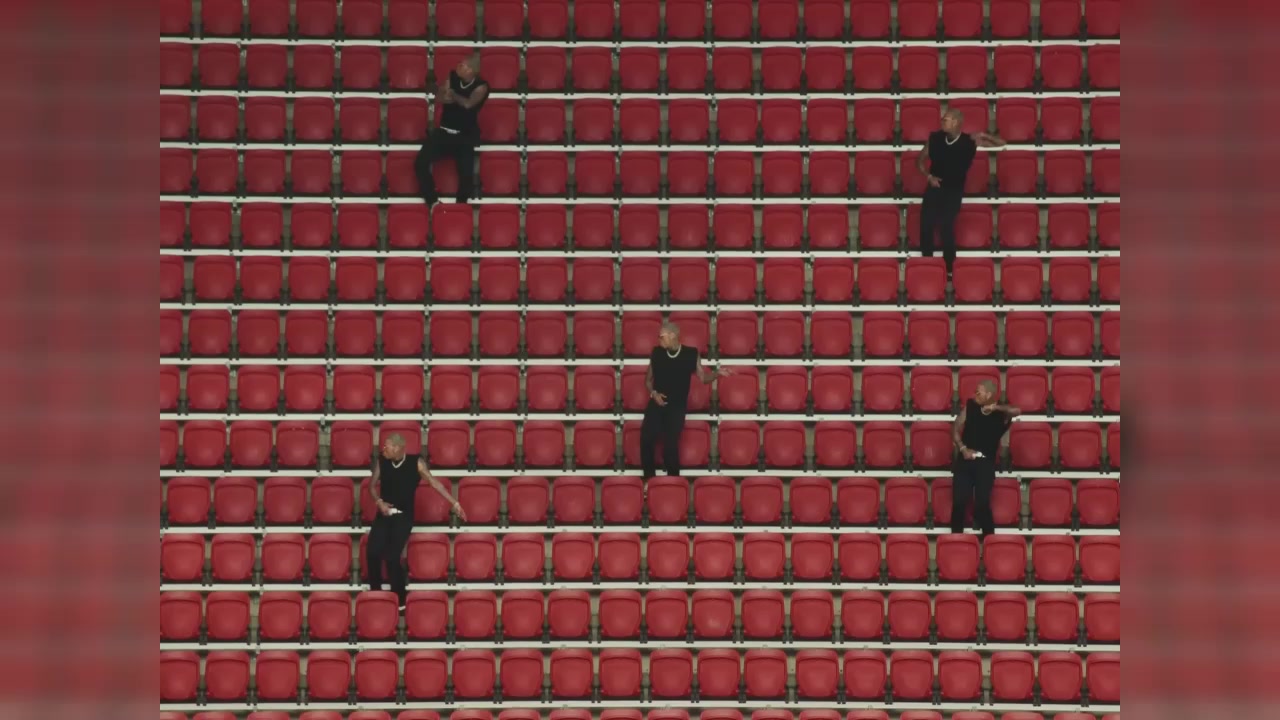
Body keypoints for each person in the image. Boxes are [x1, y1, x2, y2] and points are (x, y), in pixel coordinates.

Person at [366, 433, 466, 609]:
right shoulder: (382, 461)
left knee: (391, 557)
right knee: (372, 552)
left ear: (397, 448)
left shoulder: (416, 463)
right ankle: (375, 594)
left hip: (403, 517)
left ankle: (400, 601)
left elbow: (434, 483)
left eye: (387, 446)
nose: (383, 449)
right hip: (383, 514)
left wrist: (455, 504)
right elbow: (371, 486)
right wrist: (379, 501)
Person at [916, 109, 1006, 278]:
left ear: (956, 122)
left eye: (946, 119)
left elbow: (1002, 143)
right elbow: (919, 161)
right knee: (926, 224)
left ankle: (949, 268)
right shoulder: (935, 139)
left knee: (946, 226)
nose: (942, 121)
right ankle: (927, 263)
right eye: (943, 118)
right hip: (934, 186)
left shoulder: (969, 141)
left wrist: (983, 135)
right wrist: (928, 176)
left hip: (954, 190)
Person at [641, 322, 732, 481]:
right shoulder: (657, 353)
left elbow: (703, 378)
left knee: (670, 446)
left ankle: (674, 482)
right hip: (656, 404)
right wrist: (653, 393)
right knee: (646, 439)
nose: (658, 339)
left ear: (673, 336)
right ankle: (649, 481)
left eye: (661, 336)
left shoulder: (691, 354)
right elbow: (648, 381)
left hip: (676, 407)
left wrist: (717, 373)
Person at [414, 52, 489, 207]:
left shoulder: (481, 86)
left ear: (471, 71)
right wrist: (450, 95)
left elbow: (468, 104)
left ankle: (460, 207)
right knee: (420, 162)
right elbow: (440, 97)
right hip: (444, 132)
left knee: (466, 178)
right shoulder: (453, 76)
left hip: (465, 136)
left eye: (463, 65)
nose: (459, 67)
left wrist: (453, 94)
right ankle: (433, 202)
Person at [951, 381, 1021, 538]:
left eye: (979, 392)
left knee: (982, 505)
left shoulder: (1001, 414)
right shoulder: (970, 406)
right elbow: (955, 427)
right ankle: (955, 539)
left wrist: (995, 408)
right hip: (965, 460)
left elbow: (1017, 411)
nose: (975, 394)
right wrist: (962, 448)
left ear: (989, 395)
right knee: (958, 502)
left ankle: (990, 541)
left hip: (985, 463)